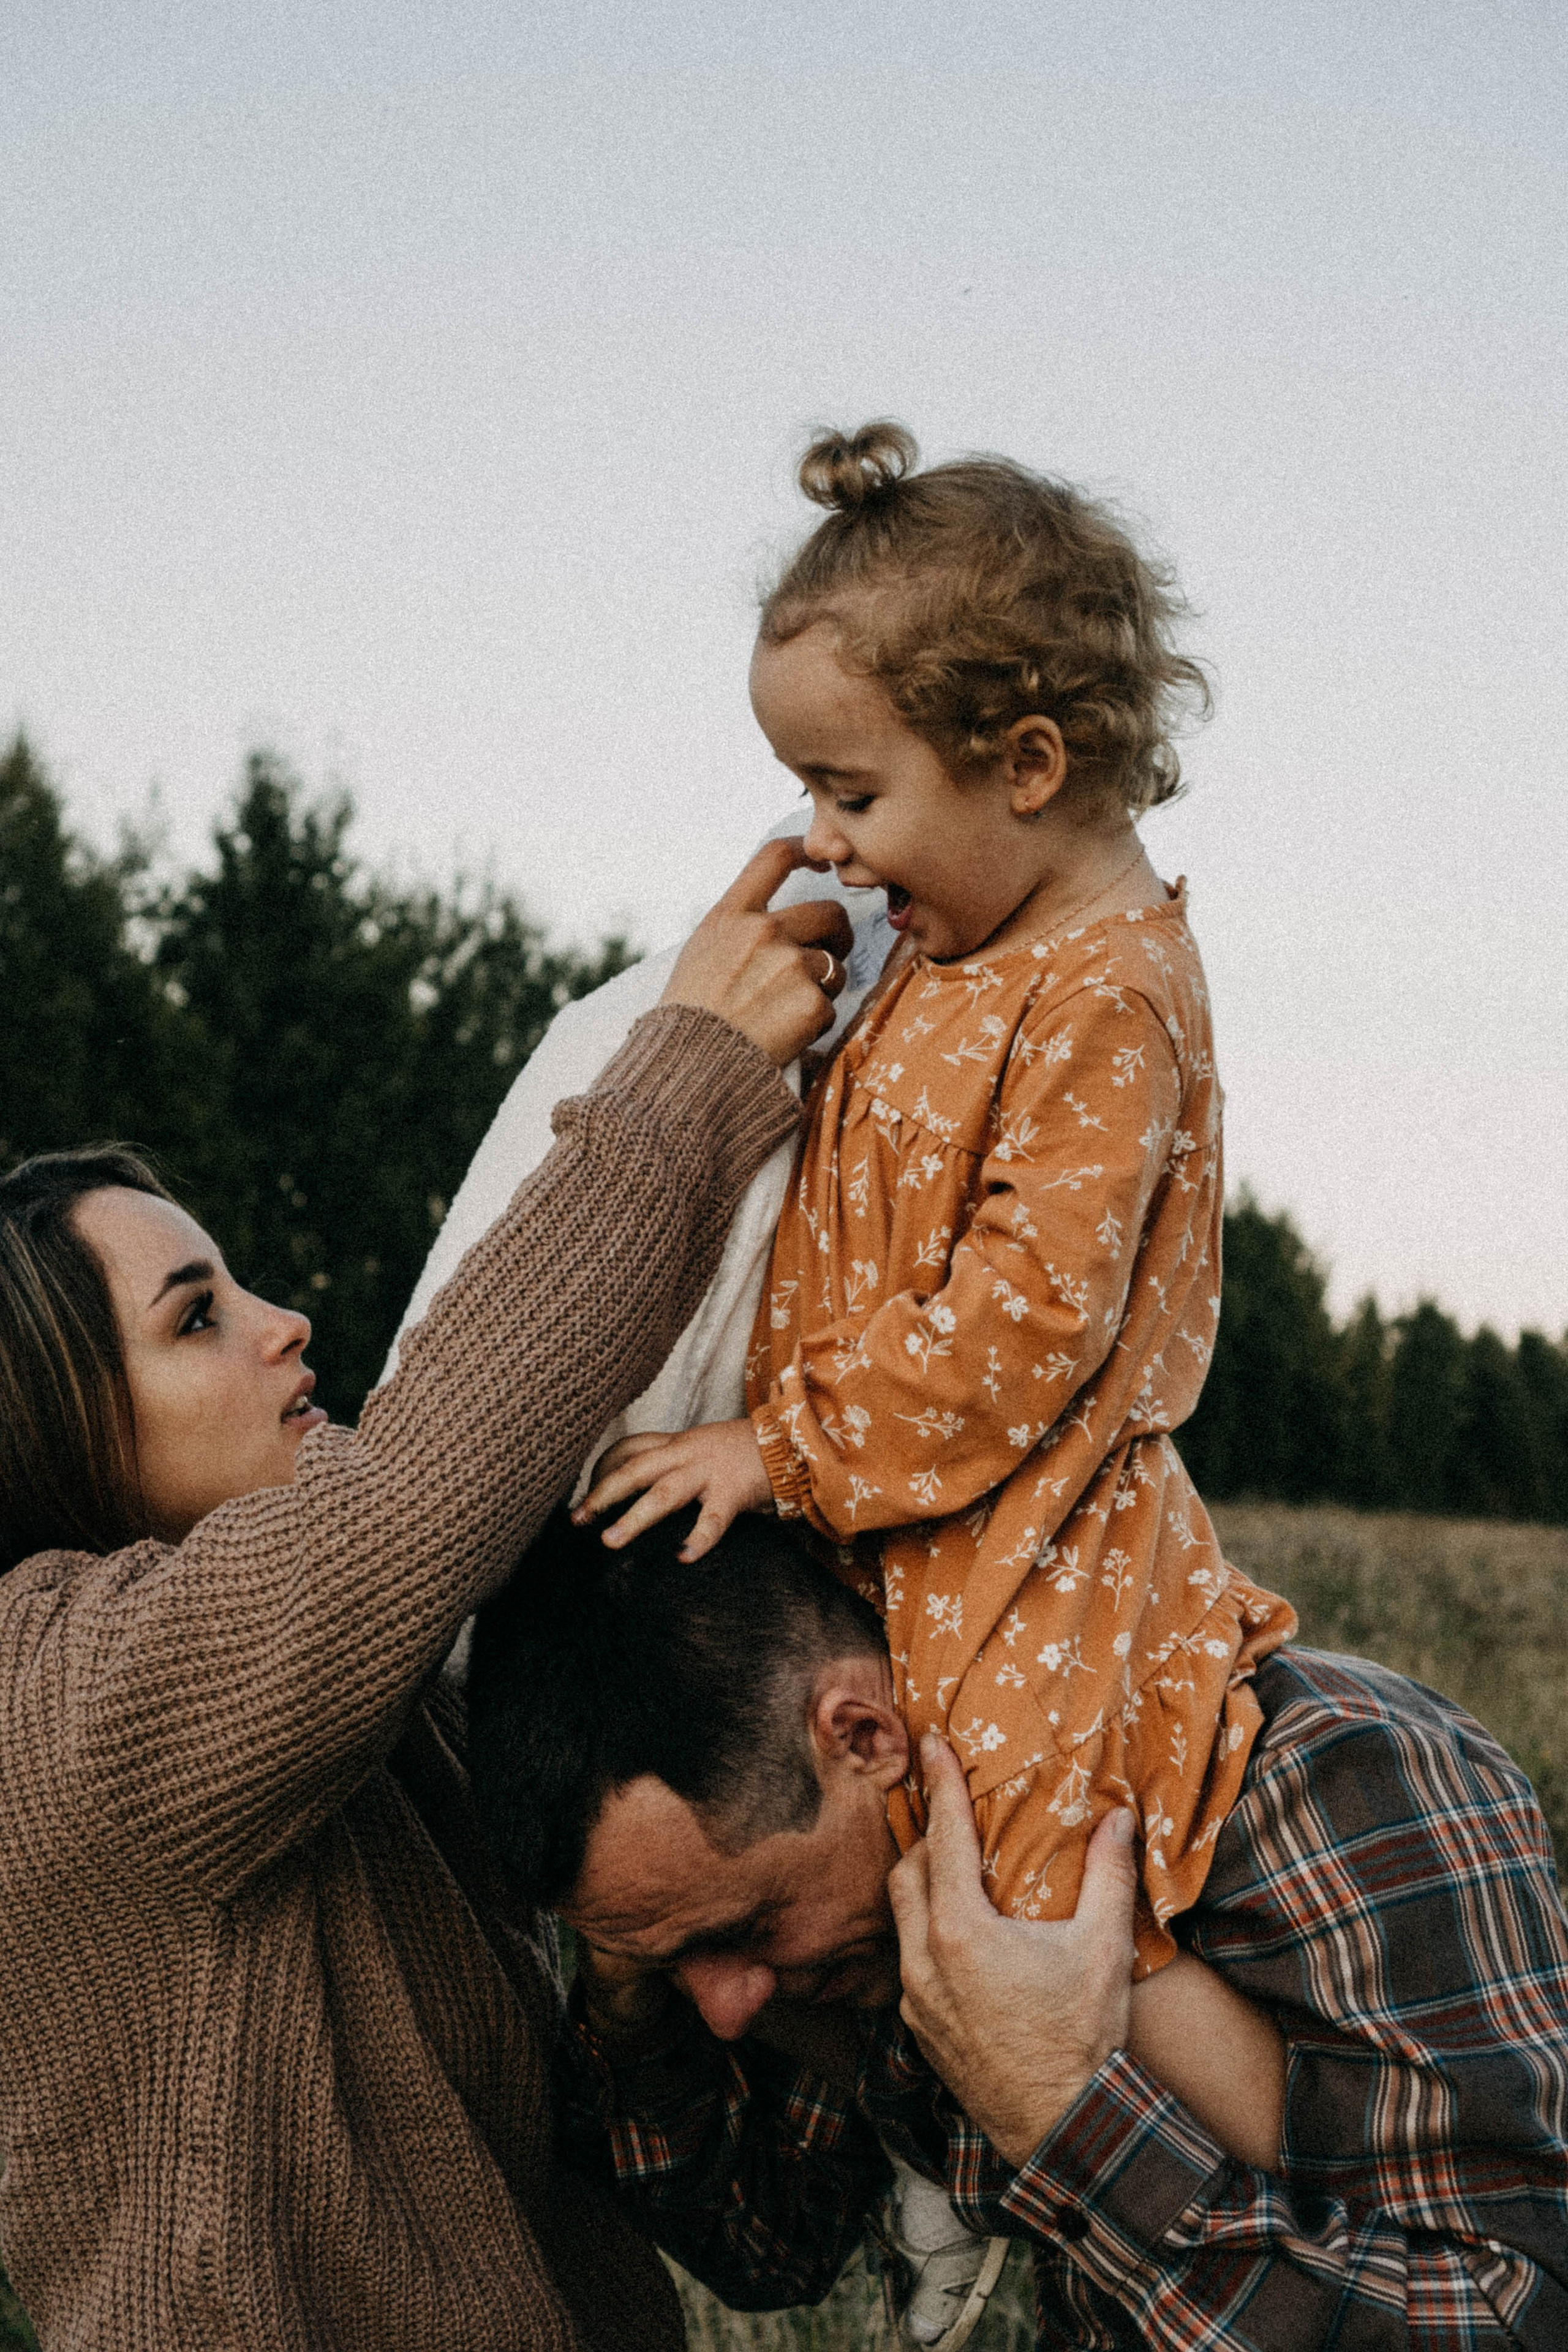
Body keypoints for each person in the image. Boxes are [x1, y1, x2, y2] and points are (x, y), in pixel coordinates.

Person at [0, 843, 859, 2352]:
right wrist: (694, 1069)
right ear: (49, 1427)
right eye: (196, 1319)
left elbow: (717, 2227)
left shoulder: (387, 1732)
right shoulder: (51, 1718)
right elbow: (419, 1489)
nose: (285, 1324)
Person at [577, 421, 1299, 1990]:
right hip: (904, 1520)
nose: (822, 840)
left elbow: (1021, 1326)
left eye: (849, 790)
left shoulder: (1104, 994)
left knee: (1016, 1891)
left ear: (1026, 766)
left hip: (1020, 1549)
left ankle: (1180, 2119)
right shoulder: (959, 930)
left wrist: (775, 1449)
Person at [469, 1504, 1568, 2350]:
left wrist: (1064, 2118)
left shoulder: (1343, 1779)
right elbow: (773, 2249)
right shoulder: (867, 1915)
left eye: (746, 1926)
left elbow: (1518, 2320)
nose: (726, 2006)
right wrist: (629, 2016)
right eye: (673, 1957)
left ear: (861, 1736)